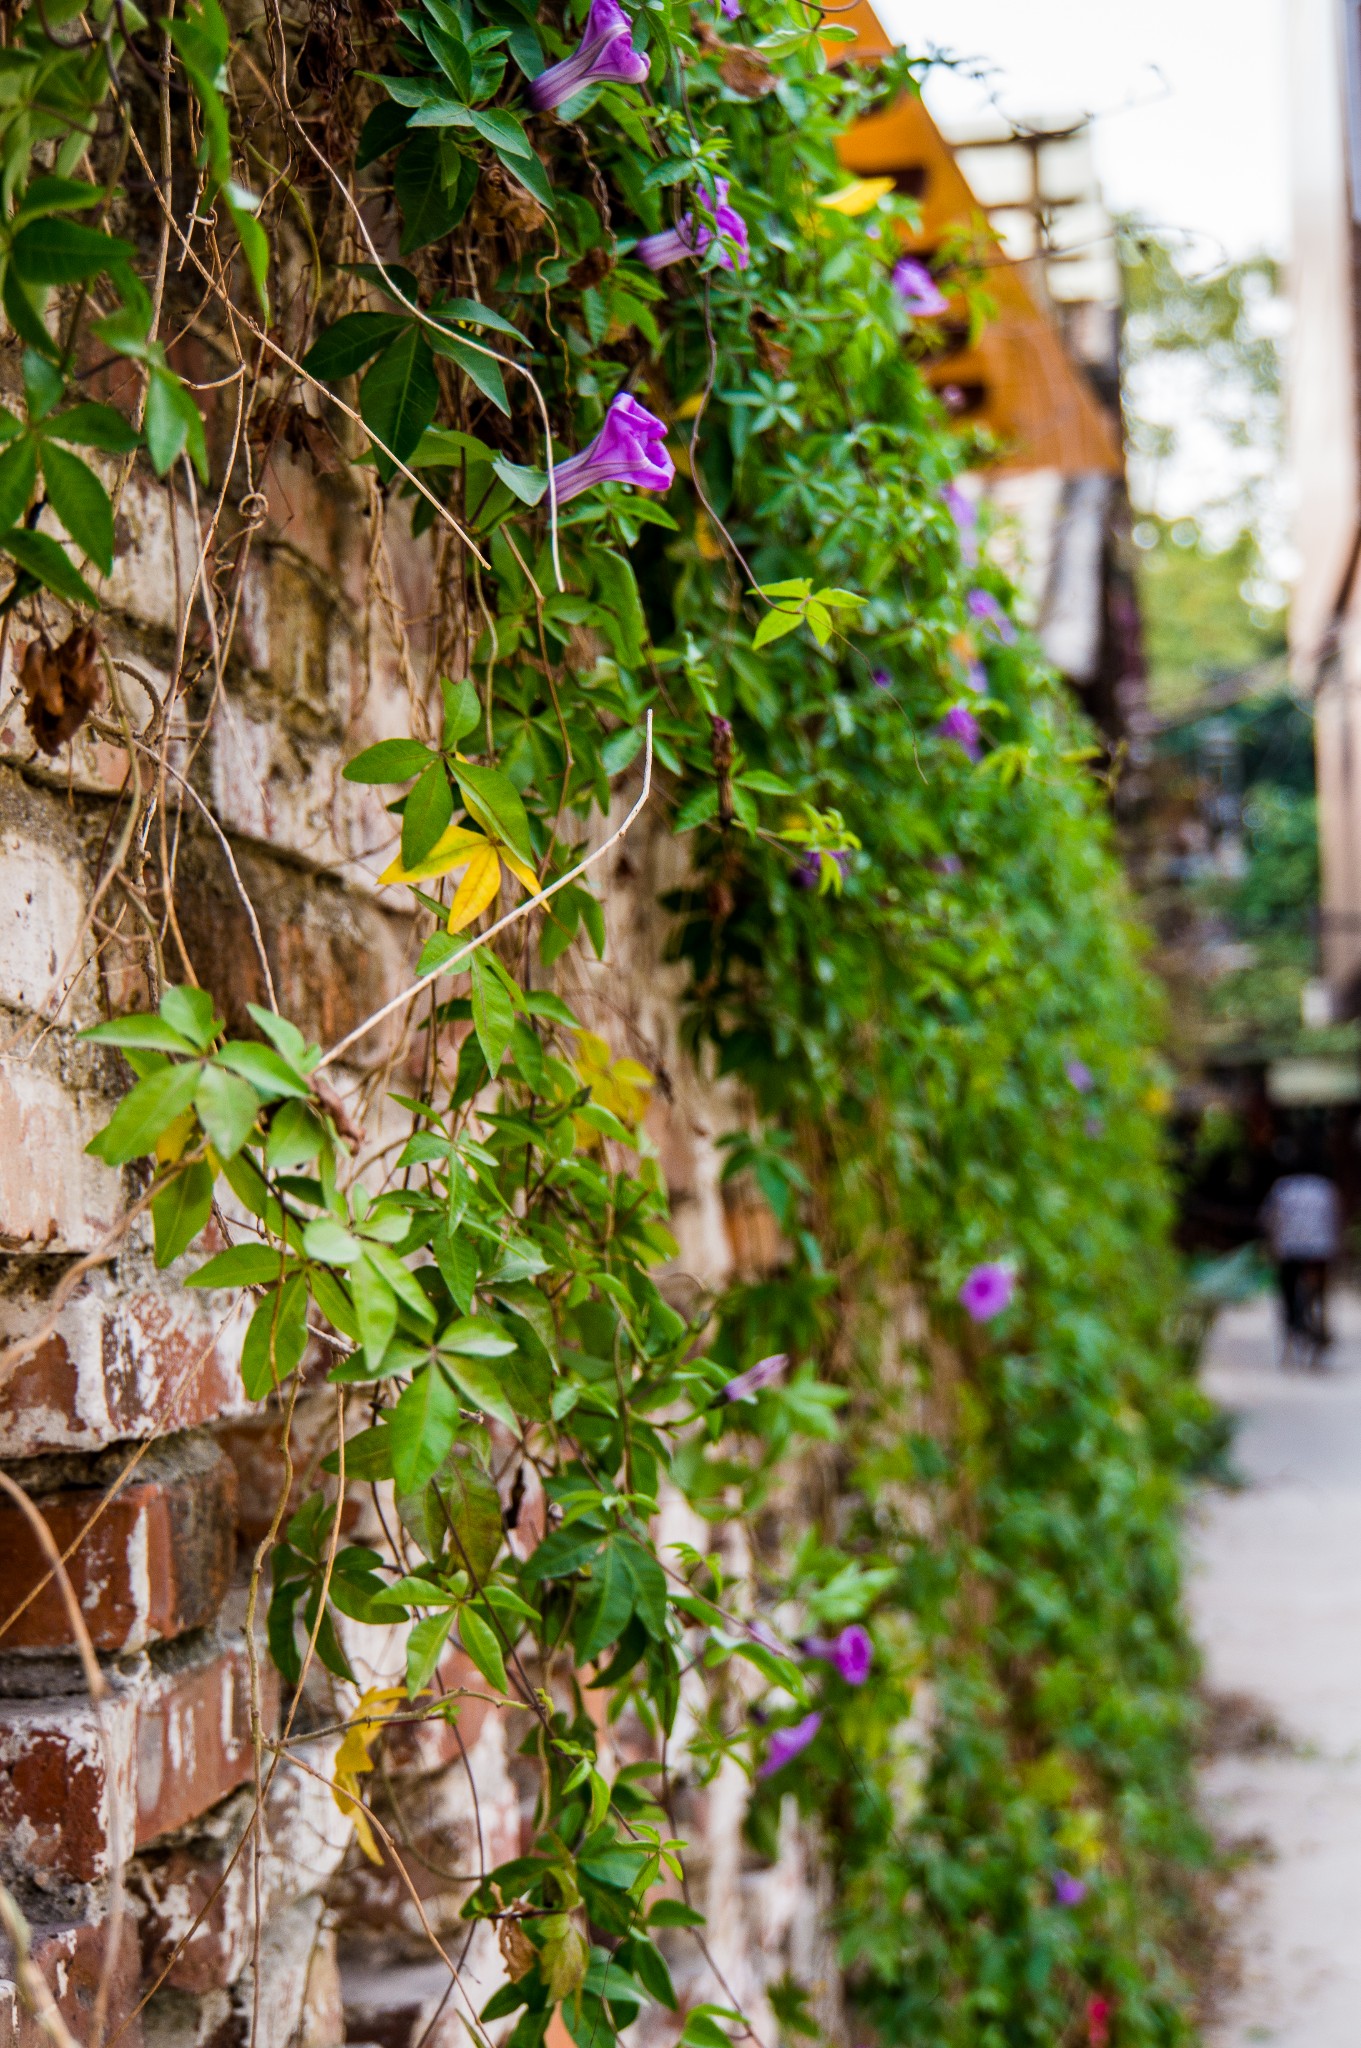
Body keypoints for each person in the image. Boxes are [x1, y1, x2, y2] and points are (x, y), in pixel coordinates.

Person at [1259, 1171, 1342, 1367]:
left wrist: (1271, 1246)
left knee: (1287, 1287)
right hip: (1320, 1249)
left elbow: (1269, 1218)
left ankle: (1291, 1325)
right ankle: (1319, 1321)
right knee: (1320, 1291)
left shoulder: (1282, 1187)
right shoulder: (1325, 1187)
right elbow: (1335, 1219)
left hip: (1289, 1248)